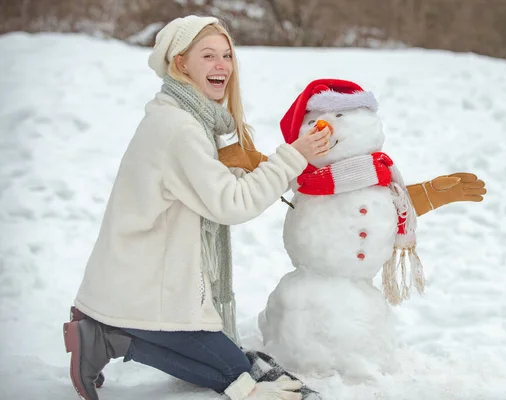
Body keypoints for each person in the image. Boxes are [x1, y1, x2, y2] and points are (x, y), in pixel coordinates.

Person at [63, 15, 331, 400]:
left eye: (226, 55)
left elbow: (216, 189)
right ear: (180, 64)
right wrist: (292, 158)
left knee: (233, 363)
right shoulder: (179, 129)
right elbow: (231, 203)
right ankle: (107, 338)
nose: (222, 65)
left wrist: (287, 167)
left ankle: (107, 329)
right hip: (144, 290)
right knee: (233, 370)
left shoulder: (181, 117)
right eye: (208, 55)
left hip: (144, 282)